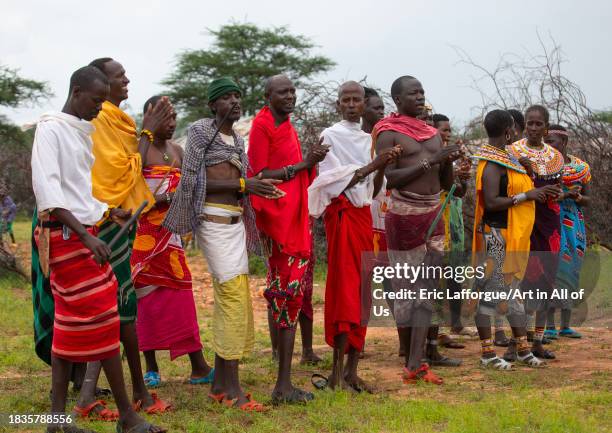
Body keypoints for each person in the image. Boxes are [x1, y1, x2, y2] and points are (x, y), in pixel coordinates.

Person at [30, 65, 164, 433]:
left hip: (81, 231)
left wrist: (108, 212)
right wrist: (87, 235)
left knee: (70, 326)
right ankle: (127, 417)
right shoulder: (51, 129)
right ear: (76, 92)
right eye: (95, 100)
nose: (99, 109)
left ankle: (59, 422)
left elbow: (80, 190)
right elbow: (49, 193)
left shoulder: (80, 130)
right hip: (66, 237)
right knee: (106, 319)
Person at [164, 77, 282, 410]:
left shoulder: (238, 139)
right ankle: (233, 390)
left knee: (238, 298)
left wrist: (257, 186)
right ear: (213, 105)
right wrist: (247, 183)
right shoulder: (202, 131)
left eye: (237, 96)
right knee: (232, 298)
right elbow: (194, 179)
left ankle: (219, 383)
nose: (234, 101)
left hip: (234, 224)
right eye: (226, 97)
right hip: (212, 223)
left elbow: (241, 183)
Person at [74, 57, 172, 418]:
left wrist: (143, 133)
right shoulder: (99, 120)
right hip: (107, 220)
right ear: (103, 84)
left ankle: (94, 395)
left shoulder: (120, 121)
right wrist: (147, 132)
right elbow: (118, 175)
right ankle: (139, 395)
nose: (127, 80)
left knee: (115, 306)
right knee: (120, 307)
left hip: (123, 220)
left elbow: (133, 166)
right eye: (120, 77)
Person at [308, 81, 400, 392]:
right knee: (345, 289)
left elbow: (373, 188)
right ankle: (335, 372)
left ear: (363, 104)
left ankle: (352, 370)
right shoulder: (330, 136)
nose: (351, 105)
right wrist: (374, 164)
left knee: (363, 290)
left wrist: (382, 166)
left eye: (356, 100)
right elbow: (333, 182)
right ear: (338, 104)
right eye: (345, 100)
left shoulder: (369, 140)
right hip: (343, 215)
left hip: (363, 217)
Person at [374, 76, 463, 384]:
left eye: (422, 91)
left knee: (428, 288)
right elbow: (392, 180)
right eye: (413, 93)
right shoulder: (388, 133)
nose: (420, 96)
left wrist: (451, 163)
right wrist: (431, 162)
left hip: (433, 212)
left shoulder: (433, 134)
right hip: (403, 214)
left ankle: (417, 362)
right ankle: (409, 356)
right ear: (397, 99)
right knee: (407, 289)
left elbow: (447, 183)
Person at [247, 74, 329, 403]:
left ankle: (285, 381)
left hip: (294, 217)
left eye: (293, 90)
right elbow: (258, 175)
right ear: (267, 96)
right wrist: (302, 165)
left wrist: (309, 163)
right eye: (283, 92)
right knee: (286, 295)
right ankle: (282, 386)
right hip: (279, 222)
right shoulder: (262, 126)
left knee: (288, 295)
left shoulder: (287, 124)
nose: (290, 96)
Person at [130, 96, 213, 389]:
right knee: (147, 302)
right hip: (143, 239)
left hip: (173, 238)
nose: (172, 122)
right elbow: (128, 191)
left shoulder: (178, 150)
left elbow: (192, 187)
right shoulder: (138, 150)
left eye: (174, 116)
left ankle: (198, 366)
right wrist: (163, 198)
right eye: (165, 117)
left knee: (182, 297)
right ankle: (150, 368)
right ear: (149, 119)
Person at [472, 109, 556, 370]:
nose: (518, 133)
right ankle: (487, 354)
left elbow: (514, 184)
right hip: (497, 236)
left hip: (513, 234)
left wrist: (526, 170)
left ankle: (522, 348)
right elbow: (492, 202)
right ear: (508, 131)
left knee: (512, 293)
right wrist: (527, 196)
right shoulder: (492, 162)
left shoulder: (507, 158)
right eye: (515, 128)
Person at [507, 105, 563, 361]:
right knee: (517, 280)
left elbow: (557, 189)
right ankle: (515, 341)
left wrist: (558, 193)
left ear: (546, 128)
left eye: (538, 124)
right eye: (529, 123)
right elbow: (506, 188)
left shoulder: (555, 157)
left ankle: (537, 340)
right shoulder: (512, 152)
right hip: (521, 219)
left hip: (548, 222)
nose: (533, 128)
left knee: (544, 282)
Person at [544, 125, 590, 339]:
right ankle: (550, 326)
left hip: (575, 226)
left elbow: (588, 199)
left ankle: (565, 326)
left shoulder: (581, 168)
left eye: (551, 141)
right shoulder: (544, 166)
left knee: (572, 271)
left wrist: (578, 197)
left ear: (563, 143)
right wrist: (566, 194)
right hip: (553, 221)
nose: (548, 145)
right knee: (553, 271)